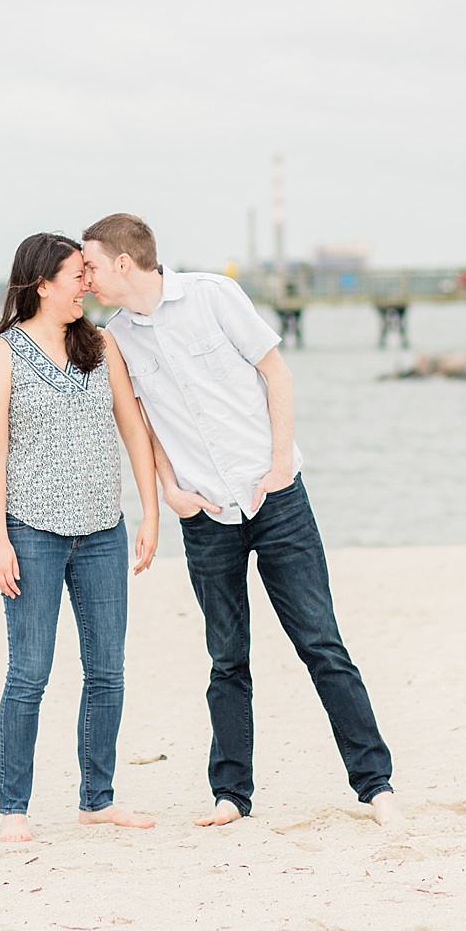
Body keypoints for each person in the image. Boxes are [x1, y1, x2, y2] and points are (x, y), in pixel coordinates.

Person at [79, 213, 402, 828]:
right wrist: (171, 489)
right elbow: (144, 421)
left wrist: (280, 465)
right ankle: (231, 796)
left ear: (123, 262)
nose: (86, 276)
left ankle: (375, 785)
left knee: (321, 645)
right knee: (227, 659)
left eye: (91, 263)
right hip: (205, 515)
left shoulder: (213, 295)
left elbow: (275, 371)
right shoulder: (115, 337)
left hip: (275, 499)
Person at [0, 232, 161, 843]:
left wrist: (151, 511)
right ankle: (13, 808)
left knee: (108, 672)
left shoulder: (101, 346)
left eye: (88, 273)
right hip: (33, 534)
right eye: (77, 275)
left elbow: (134, 429)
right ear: (41, 284)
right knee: (29, 673)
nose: (88, 284)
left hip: (104, 530)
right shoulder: (3, 355)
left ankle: (97, 800)